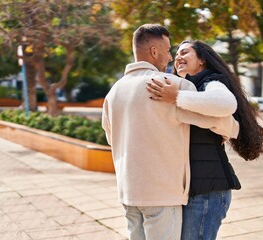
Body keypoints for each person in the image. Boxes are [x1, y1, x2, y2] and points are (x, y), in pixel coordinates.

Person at [102, 25, 239, 240]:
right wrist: (235, 129)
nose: (169, 57)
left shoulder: (114, 92)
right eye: (168, 51)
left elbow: (111, 138)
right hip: (162, 193)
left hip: (129, 192)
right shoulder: (171, 85)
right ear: (155, 51)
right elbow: (219, 118)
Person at [147, 40, 263, 240]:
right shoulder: (192, 88)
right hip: (193, 189)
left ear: (202, 59)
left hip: (208, 193)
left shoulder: (210, 82)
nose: (178, 57)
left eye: (185, 52)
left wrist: (176, 96)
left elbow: (225, 104)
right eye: (177, 53)